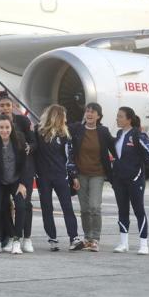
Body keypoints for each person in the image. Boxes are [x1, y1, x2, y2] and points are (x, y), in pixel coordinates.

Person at [111, 107, 149, 255]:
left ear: (128, 119)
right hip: (119, 179)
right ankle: (124, 243)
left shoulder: (138, 134)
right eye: (117, 116)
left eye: (120, 117)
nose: (117, 119)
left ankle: (144, 244)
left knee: (139, 210)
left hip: (135, 179)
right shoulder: (119, 134)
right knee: (122, 210)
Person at [34, 105, 84, 251]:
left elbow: (69, 158)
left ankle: (74, 237)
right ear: (57, 117)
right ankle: (52, 239)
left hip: (60, 175)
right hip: (43, 176)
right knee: (47, 207)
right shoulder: (38, 131)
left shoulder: (64, 134)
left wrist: (73, 176)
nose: (66, 119)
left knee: (67, 206)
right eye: (64, 116)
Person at [68, 103, 116, 252]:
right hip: (80, 174)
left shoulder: (103, 131)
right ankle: (87, 238)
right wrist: (73, 175)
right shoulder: (77, 129)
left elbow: (115, 149)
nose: (89, 114)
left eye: (92, 112)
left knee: (94, 206)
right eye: (87, 111)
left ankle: (95, 238)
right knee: (84, 209)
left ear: (98, 116)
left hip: (98, 174)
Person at [0, 93, 37, 252]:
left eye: (8, 105)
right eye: (2, 106)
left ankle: (26, 237)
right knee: (4, 204)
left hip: (23, 169)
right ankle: (12, 235)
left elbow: (34, 141)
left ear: (13, 106)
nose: (5, 108)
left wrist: (29, 147)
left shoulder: (23, 121)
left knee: (24, 204)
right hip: (4, 172)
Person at [0, 115, 27, 254]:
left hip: (15, 181)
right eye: (1, 127)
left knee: (21, 206)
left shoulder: (19, 139)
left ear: (11, 127)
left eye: (7, 127)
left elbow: (26, 164)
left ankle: (16, 240)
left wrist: (23, 183)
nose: (4, 130)